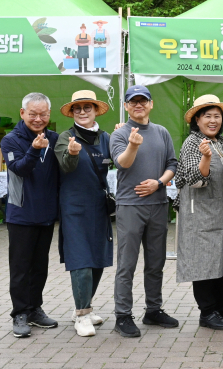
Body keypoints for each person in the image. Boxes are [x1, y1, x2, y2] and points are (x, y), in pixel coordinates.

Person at [110, 85, 179, 337]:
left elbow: (172, 163)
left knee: (156, 263)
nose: (138, 105)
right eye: (133, 101)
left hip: (159, 205)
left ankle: (153, 310)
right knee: (126, 265)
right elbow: (122, 163)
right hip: (130, 207)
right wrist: (133, 145)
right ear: (127, 106)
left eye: (143, 101)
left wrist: (159, 183)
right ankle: (123, 316)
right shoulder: (119, 134)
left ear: (151, 104)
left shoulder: (161, 132)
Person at [173, 94, 223, 331]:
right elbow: (195, 180)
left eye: (217, 116)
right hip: (198, 212)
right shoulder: (193, 143)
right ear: (197, 120)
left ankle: (220, 305)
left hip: (218, 211)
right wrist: (205, 157)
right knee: (202, 261)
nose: (213, 121)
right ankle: (207, 311)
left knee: (218, 258)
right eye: (208, 116)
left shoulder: (221, 142)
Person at [55, 90, 113, 337]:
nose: (82, 112)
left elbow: (121, 160)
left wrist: (127, 138)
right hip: (74, 208)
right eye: (77, 108)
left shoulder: (107, 137)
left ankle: (83, 307)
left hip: (99, 206)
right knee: (81, 260)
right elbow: (65, 165)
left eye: (87, 107)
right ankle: (82, 315)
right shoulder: (64, 137)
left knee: (98, 258)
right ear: (72, 112)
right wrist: (73, 153)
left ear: (96, 110)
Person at [2, 93, 59, 338]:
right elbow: (19, 169)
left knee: (40, 266)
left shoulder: (55, 138)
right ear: (22, 113)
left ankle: (35, 309)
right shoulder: (11, 140)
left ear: (49, 114)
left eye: (43, 114)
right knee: (20, 267)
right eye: (33, 114)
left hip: (46, 215)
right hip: (21, 214)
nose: (38, 119)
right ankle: (20, 314)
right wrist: (35, 150)